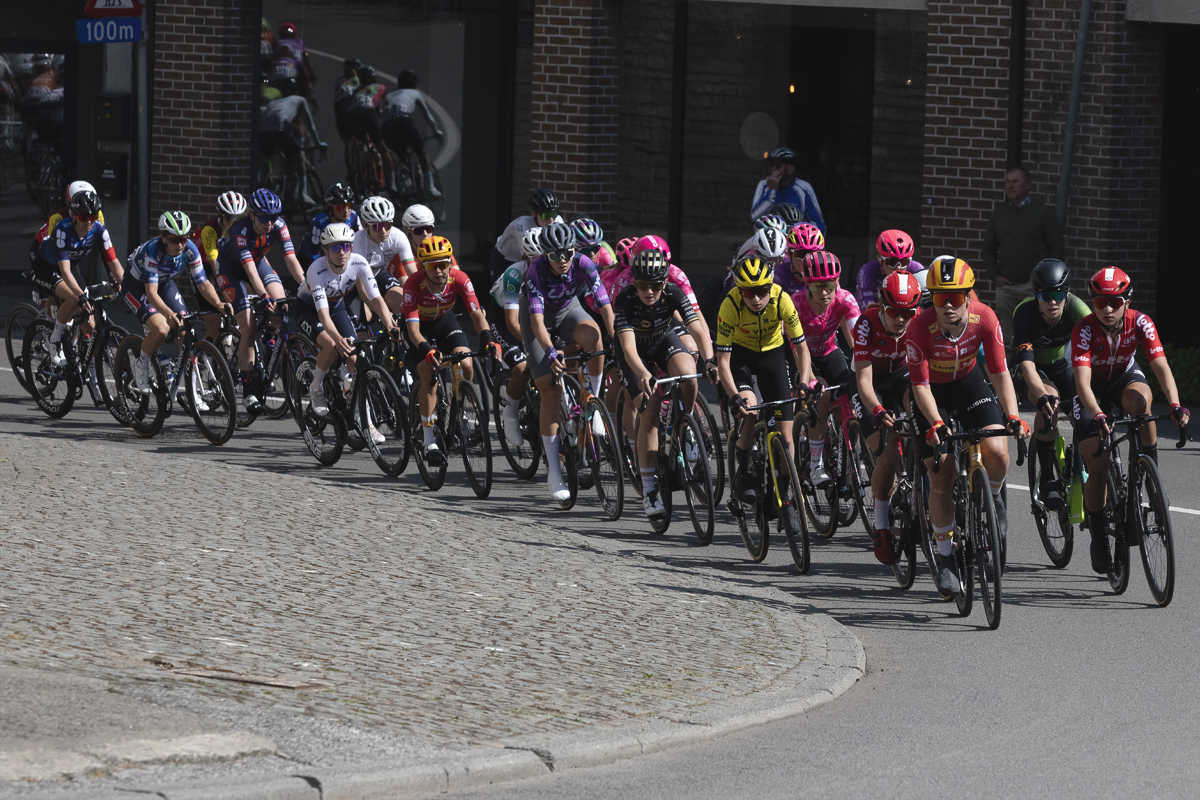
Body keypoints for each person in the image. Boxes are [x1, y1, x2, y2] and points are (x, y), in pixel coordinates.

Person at [906, 256, 1030, 596]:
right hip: (934, 393)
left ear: (969, 295)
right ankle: (946, 558)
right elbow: (919, 386)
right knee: (942, 473)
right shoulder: (920, 327)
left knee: (996, 451)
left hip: (969, 382)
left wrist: (1014, 415)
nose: (947, 306)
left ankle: (993, 497)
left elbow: (1000, 372)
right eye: (939, 297)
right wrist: (936, 423)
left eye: (956, 297)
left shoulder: (985, 318)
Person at [1071, 266, 1189, 575]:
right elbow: (1082, 383)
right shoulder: (1083, 330)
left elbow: (1161, 367)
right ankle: (1098, 534)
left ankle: (1148, 473)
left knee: (1141, 403)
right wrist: (1097, 412)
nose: (1107, 309)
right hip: (1092, 390)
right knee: (1097, 458)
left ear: (1127, 300)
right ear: (1092, 302)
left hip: (1124, 378)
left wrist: (1176, 405)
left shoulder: (1141, 323)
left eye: (1115, 302)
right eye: (1100, 302)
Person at [613, 249, 718, 518]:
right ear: (634, 282)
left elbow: (697, 329)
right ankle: (649, 490)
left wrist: (709, 360)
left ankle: (686, 427)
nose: (649, 292)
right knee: (649, 409)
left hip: (662, 339)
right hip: (634, 354)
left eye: (655, 286)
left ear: (664, 282)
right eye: (642, 286)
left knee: (688, 373)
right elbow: (627, 347)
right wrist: (643, 373)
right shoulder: (625, 299)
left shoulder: (673, 293)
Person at [519, 221, 615, 500]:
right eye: (554, 256)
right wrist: (549, 350)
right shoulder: (536, 271)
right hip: (537, 319)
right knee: (551, 389)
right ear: (545, 255)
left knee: (595, 337)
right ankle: (554, 472)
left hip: (566, 309)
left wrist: (616, 338)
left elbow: (604, 304)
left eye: (567, 253)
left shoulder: (584, 262)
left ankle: (594, 404)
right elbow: (537, 322)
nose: (562, 261)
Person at [716, 256, 814, 507]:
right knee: (749, 410)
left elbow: (801, 349)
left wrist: (803, 384)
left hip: (772, 354)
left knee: (788, 437)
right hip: (741, 358)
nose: (756, 299)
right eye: (748, 292)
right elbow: (724, 363)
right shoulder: (730, 306)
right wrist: (733, 395)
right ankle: (744, 470)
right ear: (739, 290)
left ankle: (785, 488)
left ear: (770, 286)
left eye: (762, 291)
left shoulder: (782, 299)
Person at [295, 222, 400, 439]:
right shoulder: (317, 269)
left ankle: (364, 422)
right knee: (332, 346)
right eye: (335, 248)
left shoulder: (359, 263)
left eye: (346, 246)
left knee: (355, 358)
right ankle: (316, 389)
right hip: (308, 309)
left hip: (336, 307)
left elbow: (375, 298)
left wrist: (389, 323)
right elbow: (322, 316)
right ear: (325, 250)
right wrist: (337, 338)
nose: (341, 252)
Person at [403, 236, 497, 466]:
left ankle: (459, 410)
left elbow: (476, 314)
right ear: (422, 266)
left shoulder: (460, 279)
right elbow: (414, 332)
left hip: (445, 321)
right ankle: (429, 441)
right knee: (430, 376)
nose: (438, 270)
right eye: (432, 265)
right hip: (419, 330)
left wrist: (488, 339)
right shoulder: (413, 285)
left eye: (443, 264)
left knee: (466, 363)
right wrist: (427, 350)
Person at [122, 212, 234, 399]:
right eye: (175, 240)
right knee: (161, 328)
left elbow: (203, 283)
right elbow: (151, 293)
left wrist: (219, 303)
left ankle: (192, 392)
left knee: (184, 329)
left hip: (164, 284)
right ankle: (141, 365)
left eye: (184, 238)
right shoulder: (153, 251)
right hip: (136, 287)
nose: (180, 244)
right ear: (164, 238)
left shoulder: (190, 249)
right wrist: (168, 313)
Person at [214, 188, 306, 414]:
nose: (269, 223)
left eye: (273, 218)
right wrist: (263, 296)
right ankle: (247, 392)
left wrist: (306, 286)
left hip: (258, 263)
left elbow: (291, 260)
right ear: (252, 214)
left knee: (281, 304)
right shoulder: (240, 230)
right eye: (264, 218)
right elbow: (250, 273)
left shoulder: (279, 225)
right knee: (249, 326)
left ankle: (269, 342)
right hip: (231, 272)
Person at [853, 270, 922, 565]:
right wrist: (879, 411)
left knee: (921, 413)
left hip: (900, 378)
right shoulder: (866, 324)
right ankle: (881, 526)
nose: (902, 319)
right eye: (895, 311)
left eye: (908, 312)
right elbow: (865, 382)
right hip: (869, 384)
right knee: (888, 456)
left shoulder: (918, 322)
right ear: (882, 305)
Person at [1011, 258, 1090, 509]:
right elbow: (1026, 364)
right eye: (1046, 295)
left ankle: (1082, 464)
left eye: (1058, 294)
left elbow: (1097, 348)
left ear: (1067, 293)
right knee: (1050, 403)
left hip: (1060, 365)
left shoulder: (1077, 308)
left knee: (1085, 409)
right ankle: (1047, 480)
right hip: (1030, 368)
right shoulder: (1024, 312)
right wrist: (1042, 396)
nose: (1053, 301)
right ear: (1037, 295)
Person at [30, 189, 125, 365]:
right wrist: (80, 295)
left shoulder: (99, 230)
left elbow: (114, 262)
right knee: (74, 298)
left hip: (70, 266)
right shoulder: (62, 230)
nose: (89, 222)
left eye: (93, 217)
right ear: (74, 216)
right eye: (83, 218)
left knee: (90, 324)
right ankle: (54, 341)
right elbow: (64, 272)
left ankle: (89, 376)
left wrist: (127, 288)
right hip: (46, 267)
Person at [793, 251, 861, 486]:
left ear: (837, 282)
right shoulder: (796, 304)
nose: (824, 293)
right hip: (800, 354)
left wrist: (861, 368)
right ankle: (815, 464)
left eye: (829, 286)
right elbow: (798, 350)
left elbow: (859, 340)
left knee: (850, 394)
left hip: (828, 351)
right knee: (820, 394)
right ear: (807, 283)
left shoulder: (845, 299)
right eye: (817, 287)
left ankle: (847, 453)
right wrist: (811, 378)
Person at [981, 166, 1065, 349]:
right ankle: (1011, 375)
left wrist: (1044, 280)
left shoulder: (1043, 214)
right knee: (1007, 339)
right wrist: (994, 276)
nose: (1010, 186)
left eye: (1015, 181)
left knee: (1036, 334)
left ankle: (1034, 374)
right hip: (1006, 288)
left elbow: (1057, 247)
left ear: (1027, 185)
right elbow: (988, 249)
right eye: (1007, 181)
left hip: (1033, 288)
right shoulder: (998, 214)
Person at [492, 227, 542, 446]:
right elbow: (512, 322)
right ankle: (510, 413)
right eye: (535, 259)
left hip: (533, 316)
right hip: (504, 320)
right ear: (525, 257)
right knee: (523, 369)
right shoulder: (514, 275)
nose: (541, 264)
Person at [189, 191, 247, 341]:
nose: (235, 223)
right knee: (214, 321)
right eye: (230, 219)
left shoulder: (243, 229)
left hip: (226, 262)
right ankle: (208, 355)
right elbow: (216, 268)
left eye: (239, 219)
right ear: (221, 217)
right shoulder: (209, 230)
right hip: (204, 266)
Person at [259, 80, 327, 209]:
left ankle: (275, 186)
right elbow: (310, 125)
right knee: (299, 157)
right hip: (279, 130)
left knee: (278, 160)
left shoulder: (273, 102)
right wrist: (318, 143)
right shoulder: (299, 99)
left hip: (263, 132)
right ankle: (302, 194)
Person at [379, 69, 445, 201]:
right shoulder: (415, 93)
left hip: (386, 126)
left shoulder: (390, 95)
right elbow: (428, 116)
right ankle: (430, 188)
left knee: (400, 155)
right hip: (403, 120)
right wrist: (436, 132)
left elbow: (383, 113)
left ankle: (401, 183)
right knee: (421, 152)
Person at [489, 188, 565, 280]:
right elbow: (530, 258)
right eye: (546, 216)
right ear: (533, 213)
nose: (551, 221)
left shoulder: (558, 221)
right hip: (505, 262)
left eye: (554, 214)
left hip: (526, 261)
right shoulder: (522, 225)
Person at [749, 147, 825, 233]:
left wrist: (820, 242)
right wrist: (771, 190)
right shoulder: (763, 185)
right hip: (770, 238)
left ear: (790, 169)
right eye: (772, 164)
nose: (773, 168)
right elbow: (755, 217)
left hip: (796, 240)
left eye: (778, 165)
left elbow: (816, 220)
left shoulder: (804, 188)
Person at [854, 229, 926, 311]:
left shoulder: (916, 269)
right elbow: (867, 310)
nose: (898, 267)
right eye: (892, 262)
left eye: (904, 262)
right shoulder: (868, 271)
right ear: (880, 259)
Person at [300, 182, 360, 266]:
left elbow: (360, 241)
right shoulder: (319, 223)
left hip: (338, 254)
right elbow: (314, 253)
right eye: (340, 207)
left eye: (349, 205)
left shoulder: (353, 217)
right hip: (310, 258)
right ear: (331, 208)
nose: (346, 211)